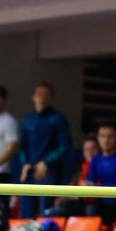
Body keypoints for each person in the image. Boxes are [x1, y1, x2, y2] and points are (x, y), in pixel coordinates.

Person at [18, 83, 72, 218]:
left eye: (46, 94)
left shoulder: (58, 118)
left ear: (51, 98)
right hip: (30, 169)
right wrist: (24, 163)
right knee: (26, 210)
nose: (41, 97)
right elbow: (22, 146)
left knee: (46, 211)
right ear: (33, 97)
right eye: (39, 93)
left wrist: (46, 162)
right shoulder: (27, 120)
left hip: (49, 170)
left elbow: (64, 146)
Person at [84, 123, 116, 224]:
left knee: (92, 209)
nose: (106, 140)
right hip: (99, 200)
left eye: (110, 136)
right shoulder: (96, 159)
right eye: (102, 136)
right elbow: (91, 182)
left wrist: (98, 187)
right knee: (70, 207)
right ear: (98, 138)